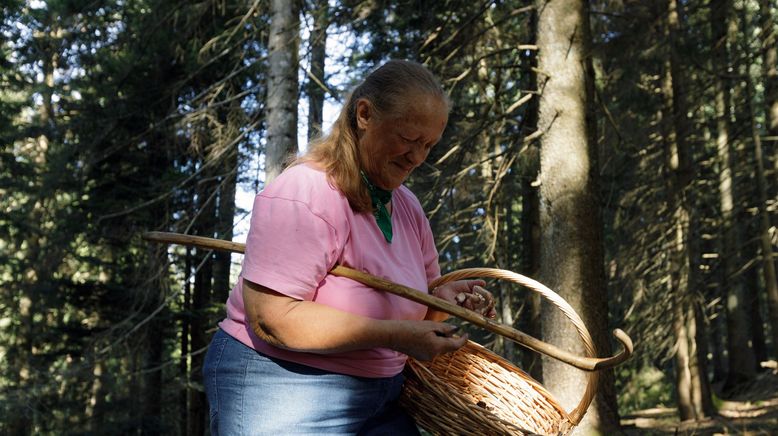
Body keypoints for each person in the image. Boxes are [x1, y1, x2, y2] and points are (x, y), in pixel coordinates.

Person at [203, 59, 496, 435]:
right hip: (282, 387)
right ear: (364, 115)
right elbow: (272, 319)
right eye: (408, 139)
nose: (418, 157)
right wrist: (393, 334)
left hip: (382, 397)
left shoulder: (407, 207)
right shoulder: (306, 192)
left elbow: (419, 316)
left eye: (428, 145)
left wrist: (442, 301)